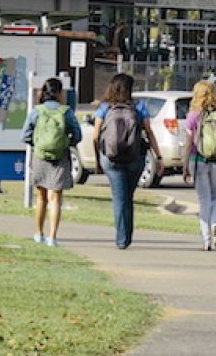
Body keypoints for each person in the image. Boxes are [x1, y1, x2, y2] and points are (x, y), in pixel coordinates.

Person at [94, 72, 163, 249]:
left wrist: (98, 159)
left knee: (119, 198)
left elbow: (95, 136)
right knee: (128, 196)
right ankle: (127, 235)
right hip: (135, 157)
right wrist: (158, 156)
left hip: (110, 159)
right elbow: (149, 132)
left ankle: (122, 239)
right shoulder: (139, 107)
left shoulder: (105, 108)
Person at [22, 76, 84, 246]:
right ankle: (52, 237)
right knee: (55, 198)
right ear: (59, 93)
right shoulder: (66, 112)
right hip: (60, 158)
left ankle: (38, 233)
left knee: (41, 197)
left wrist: (38, 144)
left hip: (40, 157)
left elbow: (25, 135)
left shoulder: (37, 111)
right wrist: (65, 142)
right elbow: (78, 135)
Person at [181, 79, 216, 251]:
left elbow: (190, 143)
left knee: (203, 200)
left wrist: (185, 165)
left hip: (199, 161)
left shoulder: (193, 116)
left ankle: (206, 240)